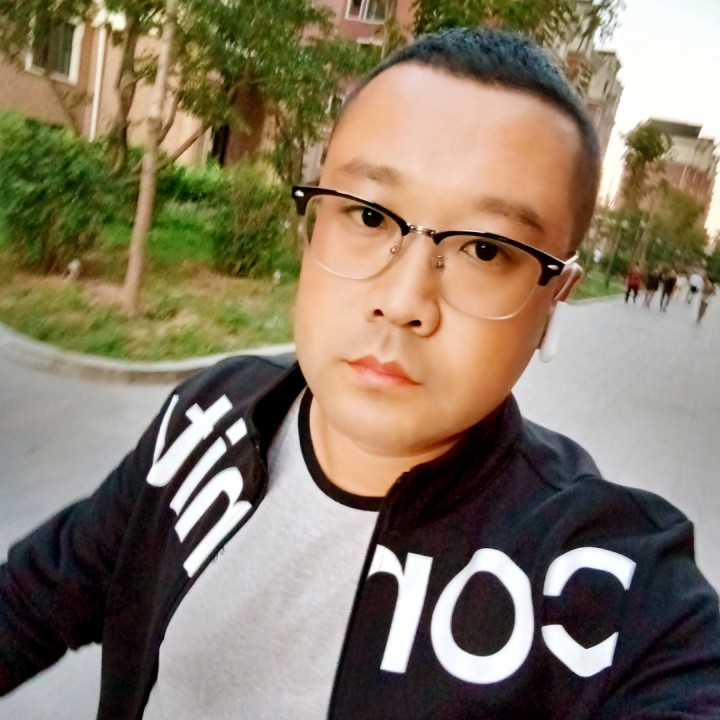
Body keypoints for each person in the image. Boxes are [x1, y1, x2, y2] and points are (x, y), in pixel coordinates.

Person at [2, 28, 720, 720]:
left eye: (485, 250)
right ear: (313, 225)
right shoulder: (209, 417)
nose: (403, 302)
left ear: (554, 297)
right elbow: (32, 599)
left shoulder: (598, 584)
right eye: (370, 216)